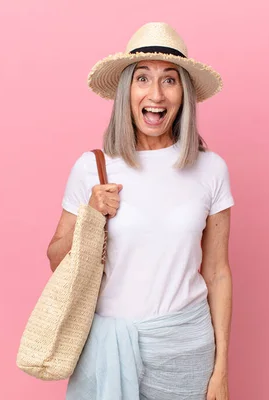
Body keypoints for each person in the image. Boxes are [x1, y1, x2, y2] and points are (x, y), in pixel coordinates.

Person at [46, 22, 234, 400]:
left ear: (184, 93)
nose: (156, 93)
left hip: (186, 350)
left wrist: (221, 370)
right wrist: (91, 215)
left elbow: (217, 271)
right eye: (142, 78)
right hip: (107, 348)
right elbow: (55, 259)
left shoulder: (211, 169)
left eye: (169, 80)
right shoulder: (93, 168)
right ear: (126, 91)